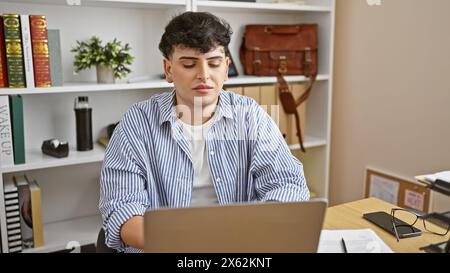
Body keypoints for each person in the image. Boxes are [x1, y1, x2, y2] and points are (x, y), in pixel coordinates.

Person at [99, 11, 310, 253]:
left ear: (226, 68)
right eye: (189, 64)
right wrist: (189, 245)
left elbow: (287, 184)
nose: (204, 75)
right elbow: (122, 210)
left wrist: (250, 234)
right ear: (168, 69)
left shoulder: (250, 115)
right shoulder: (136, 124)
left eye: (214, 63)